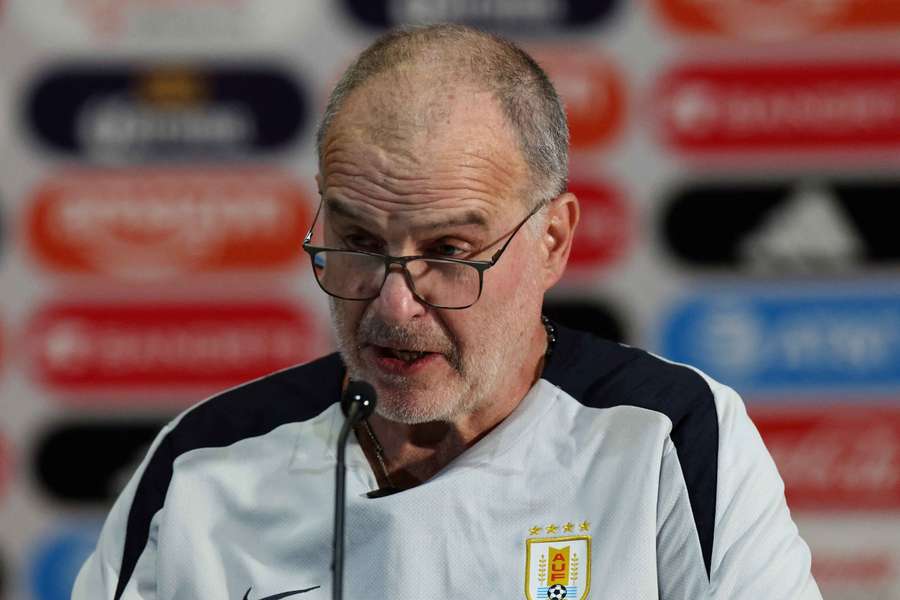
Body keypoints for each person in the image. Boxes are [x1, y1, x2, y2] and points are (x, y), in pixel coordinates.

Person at [73, 24, 821, 600]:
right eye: (359, 241)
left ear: (553, 239)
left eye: (450, 249)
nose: (394, 303)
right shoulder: (205, 465)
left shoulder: (668, 439)